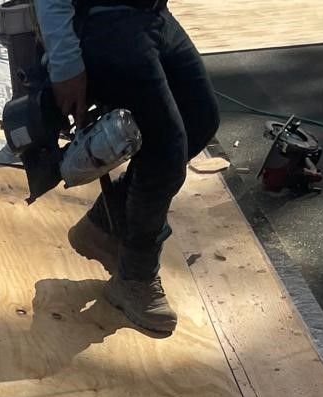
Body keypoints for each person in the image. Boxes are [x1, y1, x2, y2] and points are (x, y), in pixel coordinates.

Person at [33, 0, 218, 335]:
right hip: (106, 25)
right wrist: (65, 64)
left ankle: (106, 222)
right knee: (166, 154)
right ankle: (134, 276)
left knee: (200, 119)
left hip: (151, 15)